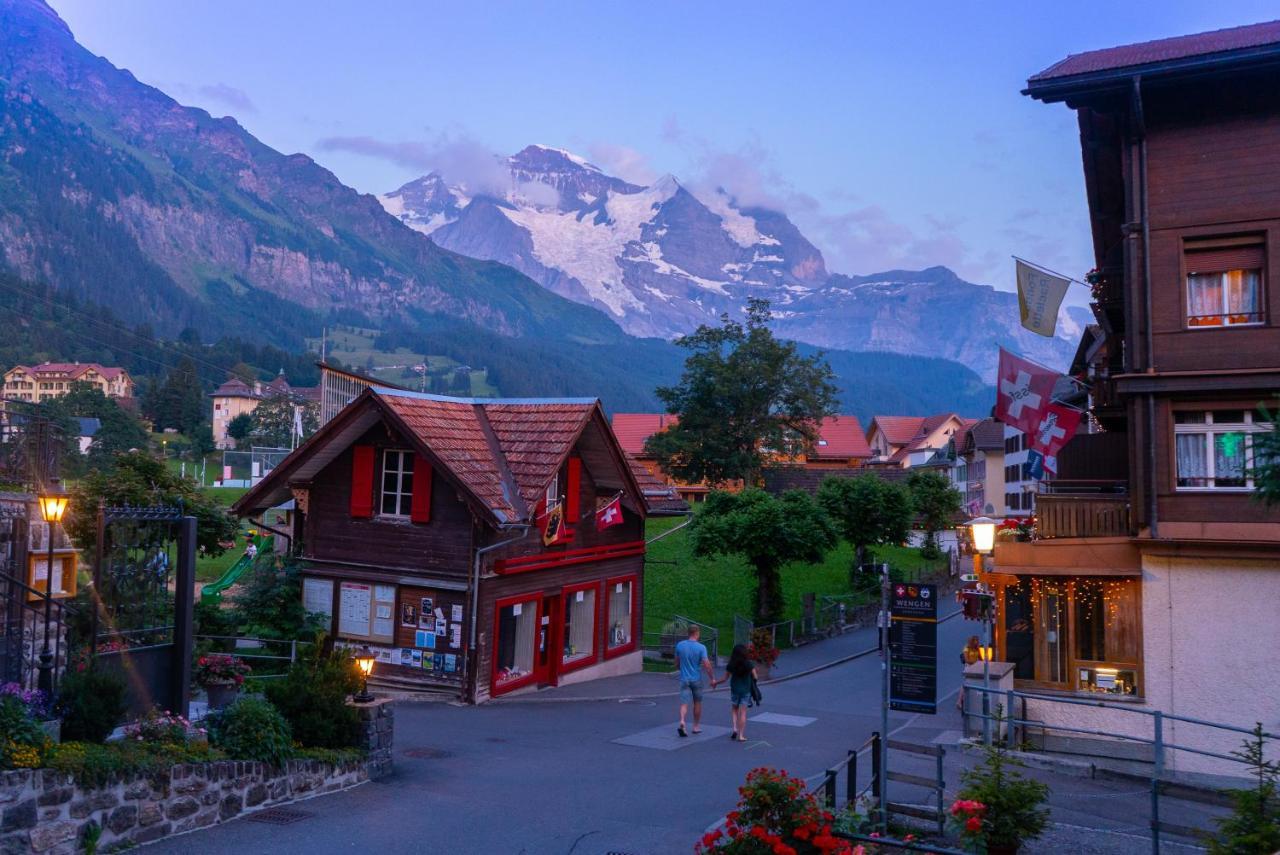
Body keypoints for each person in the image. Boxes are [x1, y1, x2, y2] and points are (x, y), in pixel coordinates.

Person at [675, 625, 714, 737]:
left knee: (684, 703)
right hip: (696, 679)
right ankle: (696, 726)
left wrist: (680, 668)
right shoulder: (701, 648)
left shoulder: (680, 645)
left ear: (688, 633)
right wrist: (712, 678)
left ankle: (682, 720)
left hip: (684, 679)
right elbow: (707, 665)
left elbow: (677, 662)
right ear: (697, 633)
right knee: (697, 703)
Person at [720, 644, 758, 742]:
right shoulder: (749, 664)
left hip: (735, 689)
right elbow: (755, 676)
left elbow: (724, 678)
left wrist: (715, 682)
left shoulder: (731, 664)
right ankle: (741, 735)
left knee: (734, 709)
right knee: (743, 712)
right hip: (746, 690)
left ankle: (734, 729)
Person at [956, 635, 982, 710]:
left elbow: (980, 657)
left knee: (971, 683)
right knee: (965, 683)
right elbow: (967, 660)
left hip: (976, 668)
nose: (976, 642)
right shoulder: (966, 649)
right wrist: (976, 662)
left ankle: (966, 700)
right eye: (975, 641)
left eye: (977, 641)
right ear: (971, 641)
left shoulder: (977, 648)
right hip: (969, 668)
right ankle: (959, 701)